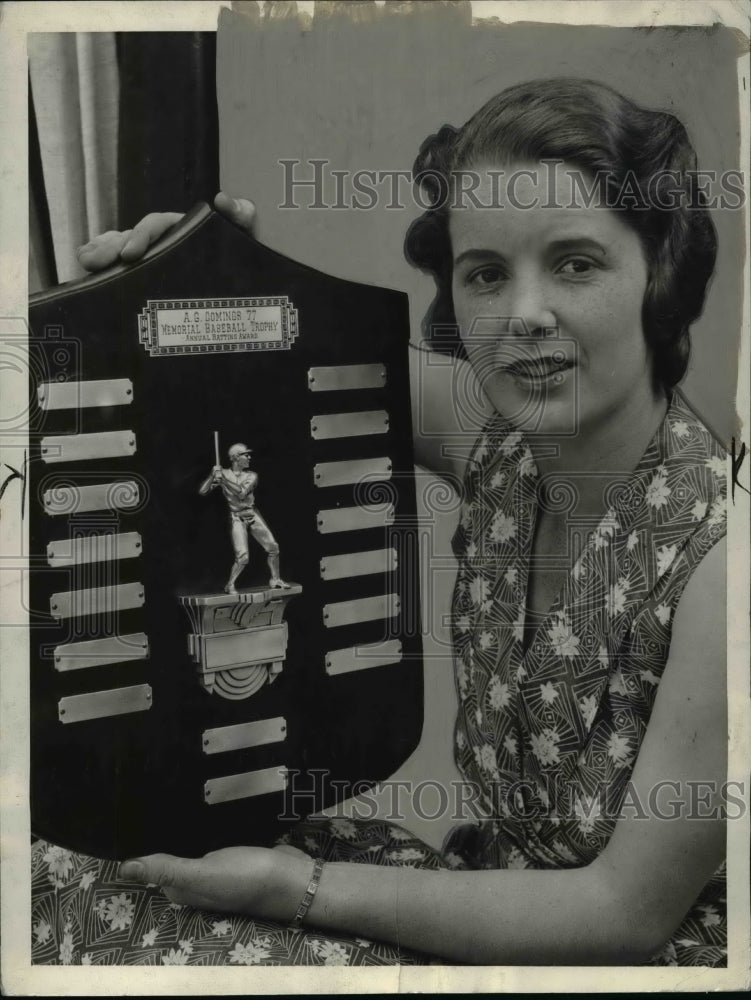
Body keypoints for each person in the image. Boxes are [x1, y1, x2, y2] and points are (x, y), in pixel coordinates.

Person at [32, 78, 728, 967]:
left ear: (658, 274)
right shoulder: (499, 442)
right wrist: (186, 274)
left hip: (618, 962)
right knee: (64, 875)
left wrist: (298, 890)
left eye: (575, 262)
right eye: (485, 273)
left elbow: (622, 913)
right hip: (482, 893)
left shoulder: (723, 561)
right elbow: (275, 351)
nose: (523, 314)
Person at [199, 441, 289, 593]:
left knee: (273, 547)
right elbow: (203, 491)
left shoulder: (251, 475)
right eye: (245, 455)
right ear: (235, 458)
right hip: (237, 518)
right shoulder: (224, 474)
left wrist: (224, 481)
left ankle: (275, 579)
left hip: (252, 515)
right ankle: (230, 585)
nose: (249, 457)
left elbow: (241, 493)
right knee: (243, 557)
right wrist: (212, 475)